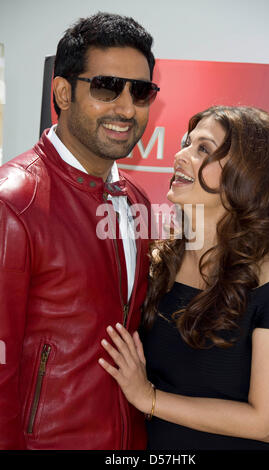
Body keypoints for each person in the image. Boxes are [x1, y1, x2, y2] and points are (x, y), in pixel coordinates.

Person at [0, 12, 159, 450]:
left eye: (140, 91)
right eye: (107, 87)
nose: (126, 108)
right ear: (63, 92)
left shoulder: (136, 201)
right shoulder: (14, 203)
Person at [99, 105, 269, 450]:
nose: (179, 156)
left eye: (202, 149)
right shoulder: (159, 261)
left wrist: (149, 399)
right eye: (186, 144)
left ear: (246, 175)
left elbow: (266, 423)